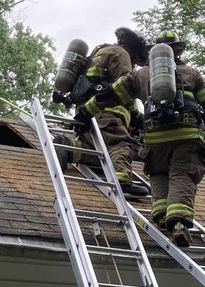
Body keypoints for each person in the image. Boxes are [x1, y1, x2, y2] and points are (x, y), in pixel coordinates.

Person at [105, 30, 205, 246]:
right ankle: (179, 224)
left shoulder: (141, 74)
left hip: (154, 138)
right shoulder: (192, 73)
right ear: (179, 51)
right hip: (187, 135)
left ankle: (162, 215)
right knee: (182, 174)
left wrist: (87, 110)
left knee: (159, 173)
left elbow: (111, 94)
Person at [60, 27, 150, 197]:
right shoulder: (121, 54)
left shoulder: (98, 53)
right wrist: (135, 115)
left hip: (86, 115)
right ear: (134, 52)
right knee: (121, 145)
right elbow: (125, 86)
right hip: (107, 114)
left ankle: (68, 148)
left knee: (100, 155)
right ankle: (122, 180)